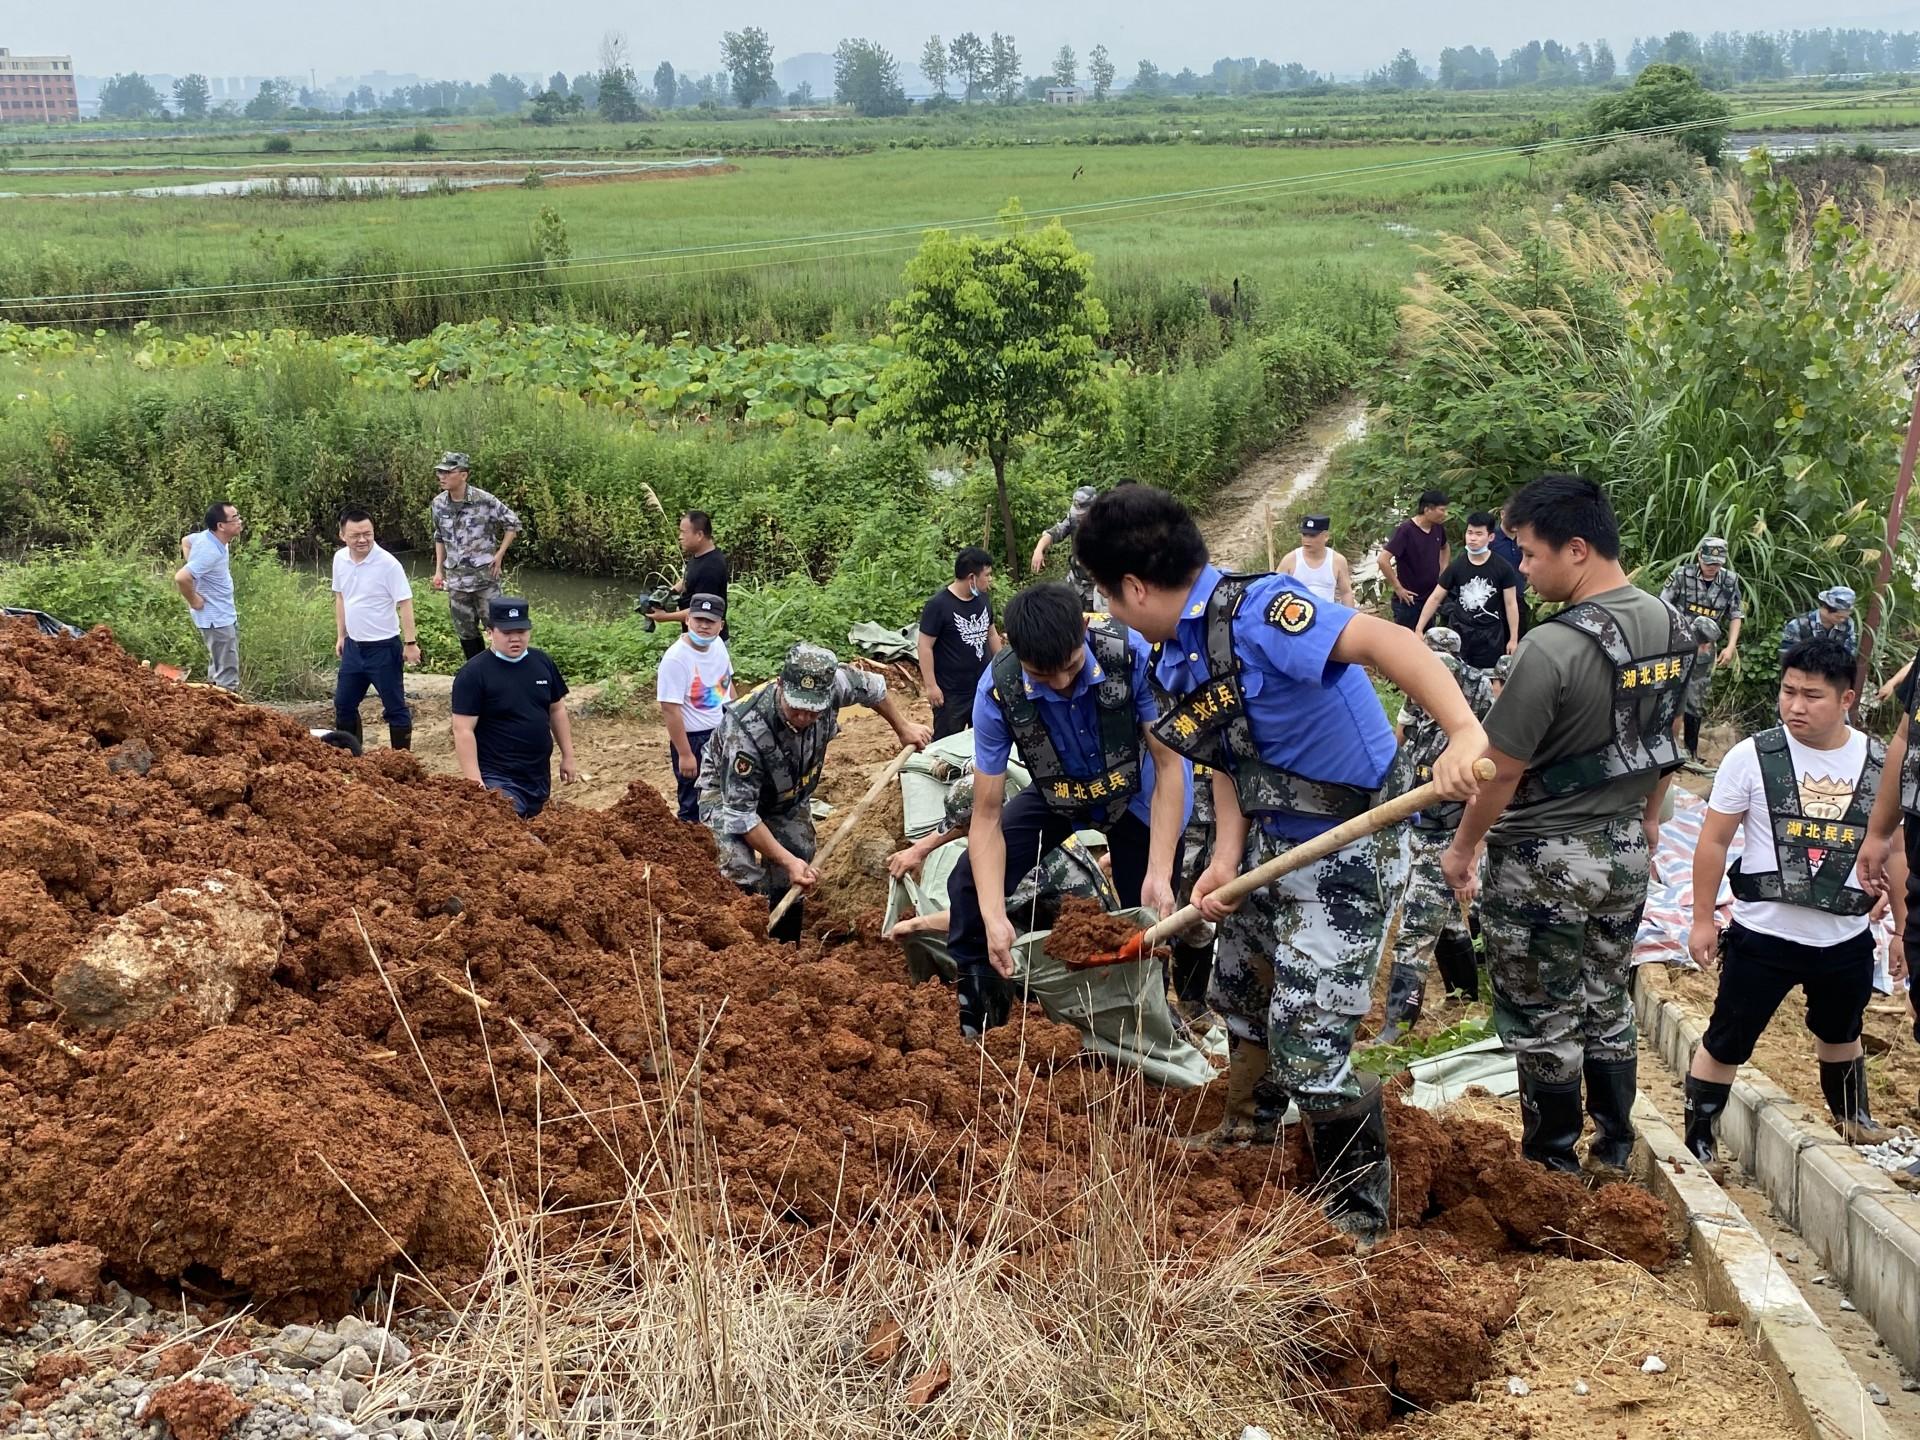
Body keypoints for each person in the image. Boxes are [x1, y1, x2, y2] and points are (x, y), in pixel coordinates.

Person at [1074, 485, 1486, 1247]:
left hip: (1351, 842)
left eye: (1106, 596)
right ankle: (1250, 1135)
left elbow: (1385, 643)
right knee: (1239, 989)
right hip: (1273, 839)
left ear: (1132, 587)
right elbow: (1225, 753)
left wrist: (1461, 731)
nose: (1111, 612)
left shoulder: (1261, 612)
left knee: (1308, 1033)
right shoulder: (1178, 653)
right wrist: (1226, 854)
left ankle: (1358, 1211)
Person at [1442, 474, 1694, 1182]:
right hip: (1623, 851)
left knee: (1545, 1015)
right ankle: (1615, 1153)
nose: (1521, 570)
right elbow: (1664, 739)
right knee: (1608, 1000)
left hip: (1543, 861)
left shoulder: (1549, 650)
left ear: (1576, 549)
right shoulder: (1673, 625)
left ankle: (1550, 1172)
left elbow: (1502, 770)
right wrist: (1646, 823)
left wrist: (1463, 850)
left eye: (1528, 554)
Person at [1684, 639, 1898, 1168]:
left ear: (1847, 698)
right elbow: (1712, 842)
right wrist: (1701, 918)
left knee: (1841, 1031)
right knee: (1728, 1036)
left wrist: (1901, 925)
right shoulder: (1751, 757)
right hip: (1763, 935)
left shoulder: (1877, 764)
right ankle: (1701, 1134)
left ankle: (1853, 1118)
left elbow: (1894, 849)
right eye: (1788, 692)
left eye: (1812, 696)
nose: (1796, 706)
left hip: (1844, 937)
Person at [948, 582, 1191, 1034]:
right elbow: (985, 816)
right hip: (1057, 788)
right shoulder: (997, 692)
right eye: (1043, 676)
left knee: (1151, 907)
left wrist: (1159, 869)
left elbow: (1169, 764)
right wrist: (995, 915)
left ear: (1082, 630)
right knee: (967, 883)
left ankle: (1155, 1012)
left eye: (1071, 668)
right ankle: (983, 1017)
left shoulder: (1131, 653)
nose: (1060, 685)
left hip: (1136, 787)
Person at [700, 644, 931, 943]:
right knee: (738, 866)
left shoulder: (835, 683)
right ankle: (740, 946)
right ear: (781, 684)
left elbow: (874, 689)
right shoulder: (744, 731)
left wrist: (903, 728)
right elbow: (742, 815)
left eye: (813, 709)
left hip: (788, 789)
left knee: (798, 856)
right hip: (726, 793)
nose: (803, 715)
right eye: (796, 706)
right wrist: (785, 860)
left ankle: (785, 947)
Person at [1376, 627, 1496, 1045]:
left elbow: (1487, 795)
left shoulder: (1472, 710)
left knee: (1414, 932)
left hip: (1448, 831)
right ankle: (1465, 997)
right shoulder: (1422, 704)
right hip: (1419, 823)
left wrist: (1472, 855)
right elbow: (1402, 740)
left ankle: (1396, 1031)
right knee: (1443, 921)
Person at [886, 772, 1117, 940]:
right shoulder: (1034, 821)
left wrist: (917, 924)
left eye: (964, 829)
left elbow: (973, 913)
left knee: (991, 936)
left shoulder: (1016, 860)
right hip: (1096, 908)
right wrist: (919, 850)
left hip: (1088, 937)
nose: (961, 836)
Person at [450, 598, 576, 819]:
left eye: (521, 631)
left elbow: (556, 710)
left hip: (537, 772)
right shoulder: (473, 673)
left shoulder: (542, 662)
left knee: (536, 821)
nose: (515, 638)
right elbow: (462, 730)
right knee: (510, 825)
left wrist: (568, 755)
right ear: (490, 632)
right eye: (507, 633)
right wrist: (474, 782)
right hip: (498, 774)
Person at [331, 507, 420, 752]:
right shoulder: (340, 559)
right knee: (344, 704)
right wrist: (342, 635)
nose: (362, 540)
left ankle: (401, 760)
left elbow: (405, 602)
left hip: (383, 648)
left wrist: (410, 643)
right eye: (355, 535)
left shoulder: (388, 564)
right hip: (353, 647)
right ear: (342, 535)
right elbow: (341, 597)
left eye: (367, 534)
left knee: (395, 708)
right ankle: (352, 756)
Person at [429, 452, 521, 662]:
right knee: (466, 632)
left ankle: (504, 672)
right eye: (439, 472)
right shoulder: (438, 504)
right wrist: (438, 570)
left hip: (485, 579)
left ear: (464, 475)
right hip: (457, 581)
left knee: (498, 628)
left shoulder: (484, 500)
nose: (442, 476)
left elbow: (512, 524)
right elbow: (439, 536)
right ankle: (477, 672)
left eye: (447, 472)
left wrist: (499, 555)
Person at [656, 593, 734, 823]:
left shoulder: (718, 645)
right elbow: (670, 709)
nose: (703, 626)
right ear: (687, 619)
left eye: (710, 621)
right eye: (698, 619)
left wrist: (736, 724)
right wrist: (685, 753)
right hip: (694, 739)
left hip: (722, 732)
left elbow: (728, 686)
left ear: (721, 625)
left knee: (725, 792)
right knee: (692, 800)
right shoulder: (675, 659)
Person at [1415, 510, 1520, 670]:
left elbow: (1511, 604)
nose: (1472, 538)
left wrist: (1513, 638)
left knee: (1488, 679)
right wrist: (1419, 628)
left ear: (1490, 537)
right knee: (1455, 675)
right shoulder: (1457, 566)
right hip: (1460, 630)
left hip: (1489, 635)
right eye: (1470, 532)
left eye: (1479, 534)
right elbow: (1436, 597)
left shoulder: (1502, 568)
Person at [918, 548, 1002, 740]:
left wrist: (1001, 666)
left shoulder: (983, 600)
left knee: (983, 739)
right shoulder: (938, 606)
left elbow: (991, 634)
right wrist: (931, 686)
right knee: (946, 742)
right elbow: (924, 646)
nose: (990, 580)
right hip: (951, 694)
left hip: (983, 687)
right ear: (972, 577)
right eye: (987, 575)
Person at [175, 501, 244, 691]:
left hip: (222, 613)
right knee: (227, 674)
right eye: (235, 518)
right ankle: (228, 709)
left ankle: (213, 701)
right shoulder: (210, 551)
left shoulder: (209, 538)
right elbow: (182, 577)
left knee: (218, 662)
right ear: (221, 526)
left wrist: (195, 565)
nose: (240, 521)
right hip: (216, 617)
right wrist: (194, 600)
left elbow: (185, 541)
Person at [1661, 535, 1744, 670]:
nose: (1712, 567)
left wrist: (1730, 647)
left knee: (1698, 689)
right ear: (1699, 556)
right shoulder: (1681, 575)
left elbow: (1735, 616)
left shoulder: (1729, 582)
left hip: (1705, 649)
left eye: (1716, 564)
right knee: (1670, 687)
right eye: (1708, 563)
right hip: (1676, 645)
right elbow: (1662, 606)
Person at [647, 511, 731, 639]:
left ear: (699, 535)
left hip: (708, 641)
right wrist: (667, 594)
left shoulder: (711, 569)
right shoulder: (699, 555)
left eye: (683, 532)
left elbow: (701, 611)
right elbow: (688, 577)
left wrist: (665, 617)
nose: (680, 537)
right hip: (694, 636)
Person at [1379, 489, 1451, 630]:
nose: (1445, 514)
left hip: (1430, 598)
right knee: (1407, 642)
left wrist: (1443, 571)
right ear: (1427, 509)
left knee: (1428, 638)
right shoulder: (1406, 531)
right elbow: (1383, 560)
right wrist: (1398, 588)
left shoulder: (1438, 529)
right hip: (1409, 601)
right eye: (1442, 510)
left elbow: (1445, 547)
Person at [1030, 485, 1101, 608]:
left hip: (1098, 587)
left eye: (1083, 514)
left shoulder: (1107, 525)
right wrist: (1039, 549)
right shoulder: (1073, 519)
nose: (1079, 517)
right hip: (1075, 582)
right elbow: (1055, 532)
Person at [1277, 515, 1354, 606]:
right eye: (1304, 535)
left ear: (1325, 536)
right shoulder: (1290, 560)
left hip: (1326, 614)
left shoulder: (1337, 561)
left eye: (1312, 536)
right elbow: (1275, 589)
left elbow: (1346, 593)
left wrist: (1349, 617)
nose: (1307, 540)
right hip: (1296, 615)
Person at [1680, 616, 1720, 774]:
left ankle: (1690, 752)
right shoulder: (1674, 642)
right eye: (1703, 644)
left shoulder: (1705, 651)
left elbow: (1696, 692)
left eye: (1708, 645)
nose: (1707, 649)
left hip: (1695, 671)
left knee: (1694, 704)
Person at [1779, 585, 1859, 662]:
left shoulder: (1848, 624)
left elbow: (1850, 652)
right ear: (1825, 609)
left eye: (1845, 617)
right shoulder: (1798, 625)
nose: (1842, 620)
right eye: (1838, 617)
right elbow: (1786, 655)